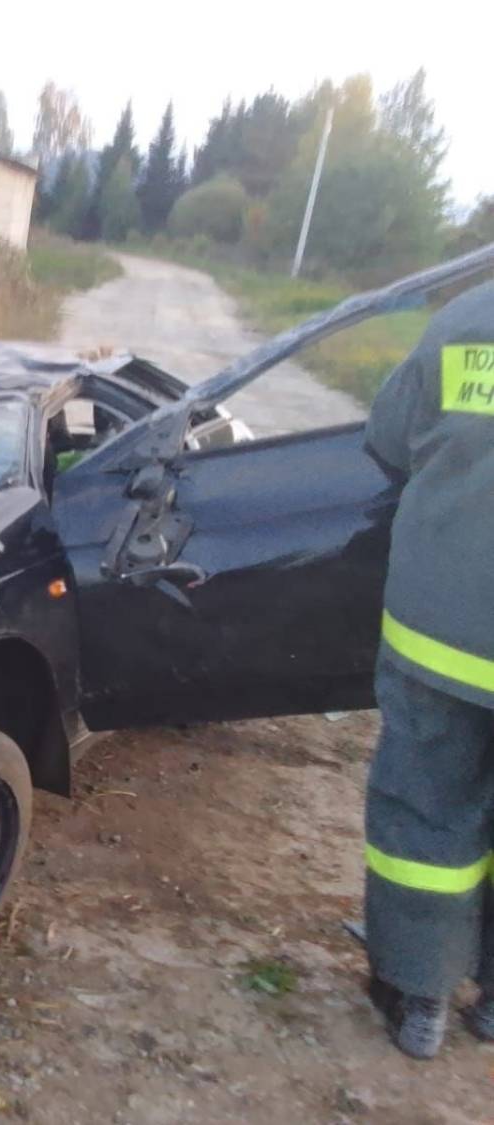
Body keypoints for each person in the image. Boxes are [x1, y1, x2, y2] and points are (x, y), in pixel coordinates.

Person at [361, 278, 494, 1059]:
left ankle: (422, 998)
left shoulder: (464, 320)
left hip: (440, 631)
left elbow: (388, 440)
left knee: (423, 813)